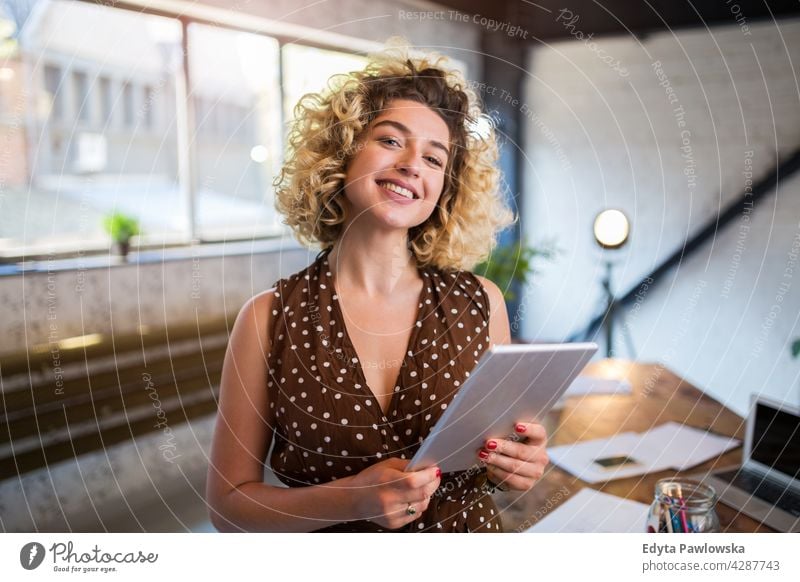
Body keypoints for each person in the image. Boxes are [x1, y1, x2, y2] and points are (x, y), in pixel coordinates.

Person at [206, 44, 549, 532]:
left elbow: (488, 463)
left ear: (444, 189)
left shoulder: (480, 302)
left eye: (435, 158)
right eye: (391, 141)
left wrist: (517, 465)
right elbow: (226, 507)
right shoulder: (267, 318)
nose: (413, 164)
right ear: (341, 154)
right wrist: (349, 501)